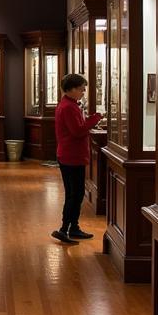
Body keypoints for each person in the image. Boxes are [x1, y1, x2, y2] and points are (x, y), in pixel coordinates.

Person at [53, 73, 103, 244]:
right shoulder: (69, 107)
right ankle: (64, 228)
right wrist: (96, 118)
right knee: (75, 194)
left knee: (74, 193)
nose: (83, 91)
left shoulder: (69, 105)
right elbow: (78, 131)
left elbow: (77, 126)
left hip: (69, 155)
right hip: (71, 156)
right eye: (81, 88)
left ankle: (73, 227)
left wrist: (88, 120)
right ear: (72, 89)